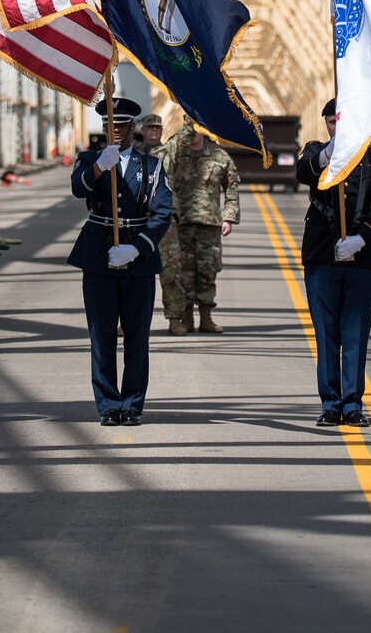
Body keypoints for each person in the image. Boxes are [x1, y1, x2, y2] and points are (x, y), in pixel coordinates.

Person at [68, 97, 172, 426]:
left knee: (137, 336)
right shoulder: (89, 159)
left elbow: (163, 212)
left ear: (133, 129)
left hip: (136, 259)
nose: (115, 132)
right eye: (109, 126)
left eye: (122, 126)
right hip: (99, 254)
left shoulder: (151, 166)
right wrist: (100, 166)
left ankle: (133, 404)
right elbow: (77, 188)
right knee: (101, 336)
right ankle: (108, 405)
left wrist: (137, 248)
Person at [296, 98, 371, 427]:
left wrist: (361, 239)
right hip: (323, 255)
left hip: (360, 256)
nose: (336, 127)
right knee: (326, 333)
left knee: (354, 333)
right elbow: (303, 173)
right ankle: (330, 402)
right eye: (332, 122)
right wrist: (328, 155)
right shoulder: (317, 152)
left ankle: (352, 403)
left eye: (342, 121)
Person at [160, 122, 241, 336]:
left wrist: (229, 217)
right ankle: (186, 319)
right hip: (182, 223)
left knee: (208, 271)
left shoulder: (220, 156)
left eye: (197, 130)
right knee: (183, 272)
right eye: (190, 130)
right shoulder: (176, 155)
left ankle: (206, 318)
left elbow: (232, 187)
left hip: (210, 224)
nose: (193, 134)